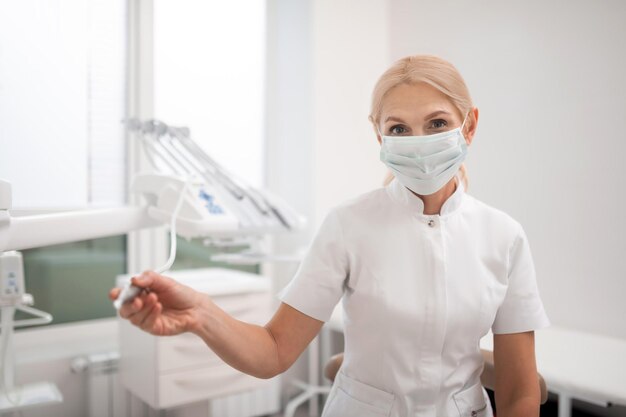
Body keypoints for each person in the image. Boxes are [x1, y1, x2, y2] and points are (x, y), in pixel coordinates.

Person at [111, 55, 549, 417]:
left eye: (436, 123)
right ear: (379, 135)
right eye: (399, 129)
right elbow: (275, 351)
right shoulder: (349, 224)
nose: (418, 142)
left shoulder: (503, 236)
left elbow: (518, 392)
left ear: (468, 126)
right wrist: (201, 315)